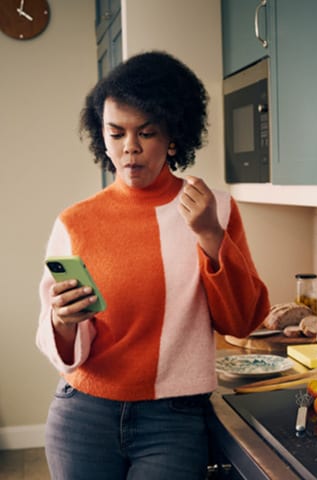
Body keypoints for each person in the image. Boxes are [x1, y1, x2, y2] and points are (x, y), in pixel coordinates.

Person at [36, 51, 270, 479]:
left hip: (173, 421)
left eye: (146, 132)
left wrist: (210, 236)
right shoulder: (75, 222)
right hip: (83, 414)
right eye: (116, 132)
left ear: (173, 136)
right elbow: (59, 343)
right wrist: (62, 319)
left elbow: (241, 321)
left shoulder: (213, 209)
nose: (130, 148)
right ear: (100, 135)